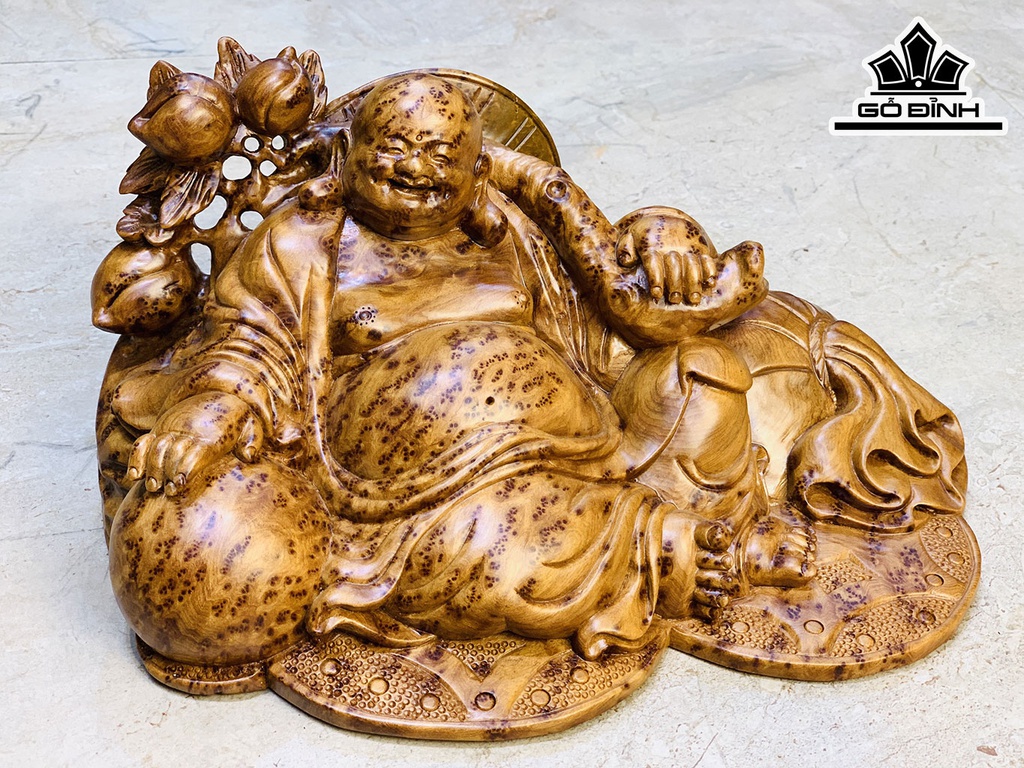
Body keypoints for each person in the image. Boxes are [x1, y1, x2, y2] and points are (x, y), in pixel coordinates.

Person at [103, 73, 962, 670]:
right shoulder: (305, 243)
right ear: (349, 157)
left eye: (441, 154)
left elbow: (620, 283)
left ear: (475, 166)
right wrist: (213, 409)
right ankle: (672, 551)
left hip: (586, 442)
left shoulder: (506, 228)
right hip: (420, 491)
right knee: (472, 547)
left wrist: (663, 233)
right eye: (391, 147)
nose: (414, 168)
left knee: (701, 375)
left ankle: (685, 524)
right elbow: (249, 341)